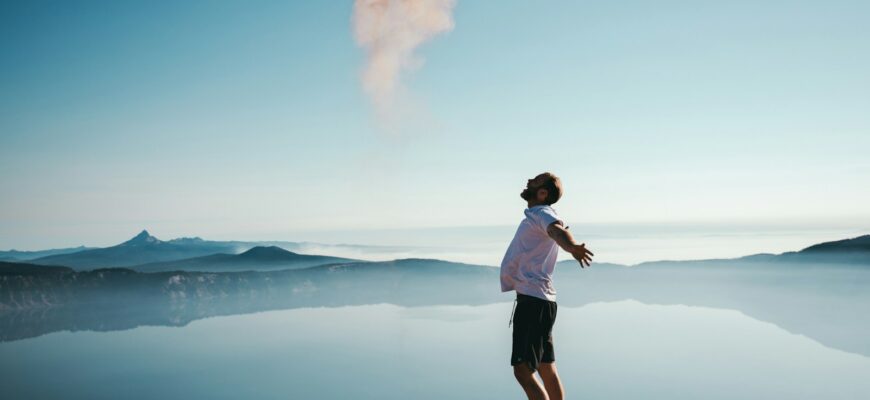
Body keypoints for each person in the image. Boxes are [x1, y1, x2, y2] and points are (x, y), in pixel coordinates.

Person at [500, 172, 594, 400]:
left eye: (536, 179)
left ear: (542, 193)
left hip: (532, 302)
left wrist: (571, 247)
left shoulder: (542, 214)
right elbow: (556, 230)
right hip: (541, 301)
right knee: (546, 367)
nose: (529, 179)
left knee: (522, 370)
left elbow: (557, 231)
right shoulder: (539, 214)